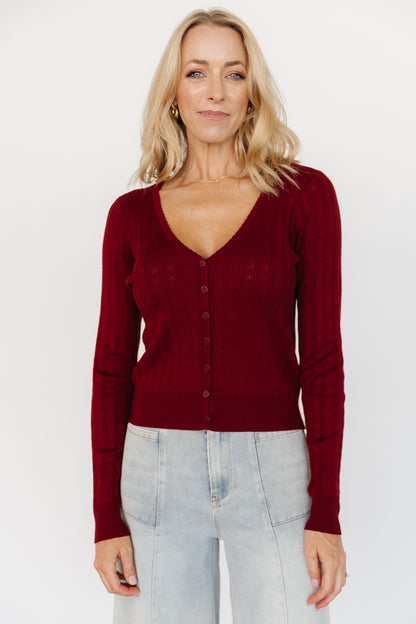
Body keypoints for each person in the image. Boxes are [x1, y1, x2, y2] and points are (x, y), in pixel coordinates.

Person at [91, 8, 348, 623]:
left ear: (251, 91)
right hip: (156, 470)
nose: (215, 91)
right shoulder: (130, 216)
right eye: (197, 72)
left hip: (274, 468)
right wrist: (105, 518)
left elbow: (322, 360)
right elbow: (110, 370)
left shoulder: (304, 198)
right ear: (174, 92)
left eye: (234, 74)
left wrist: (327, 512)